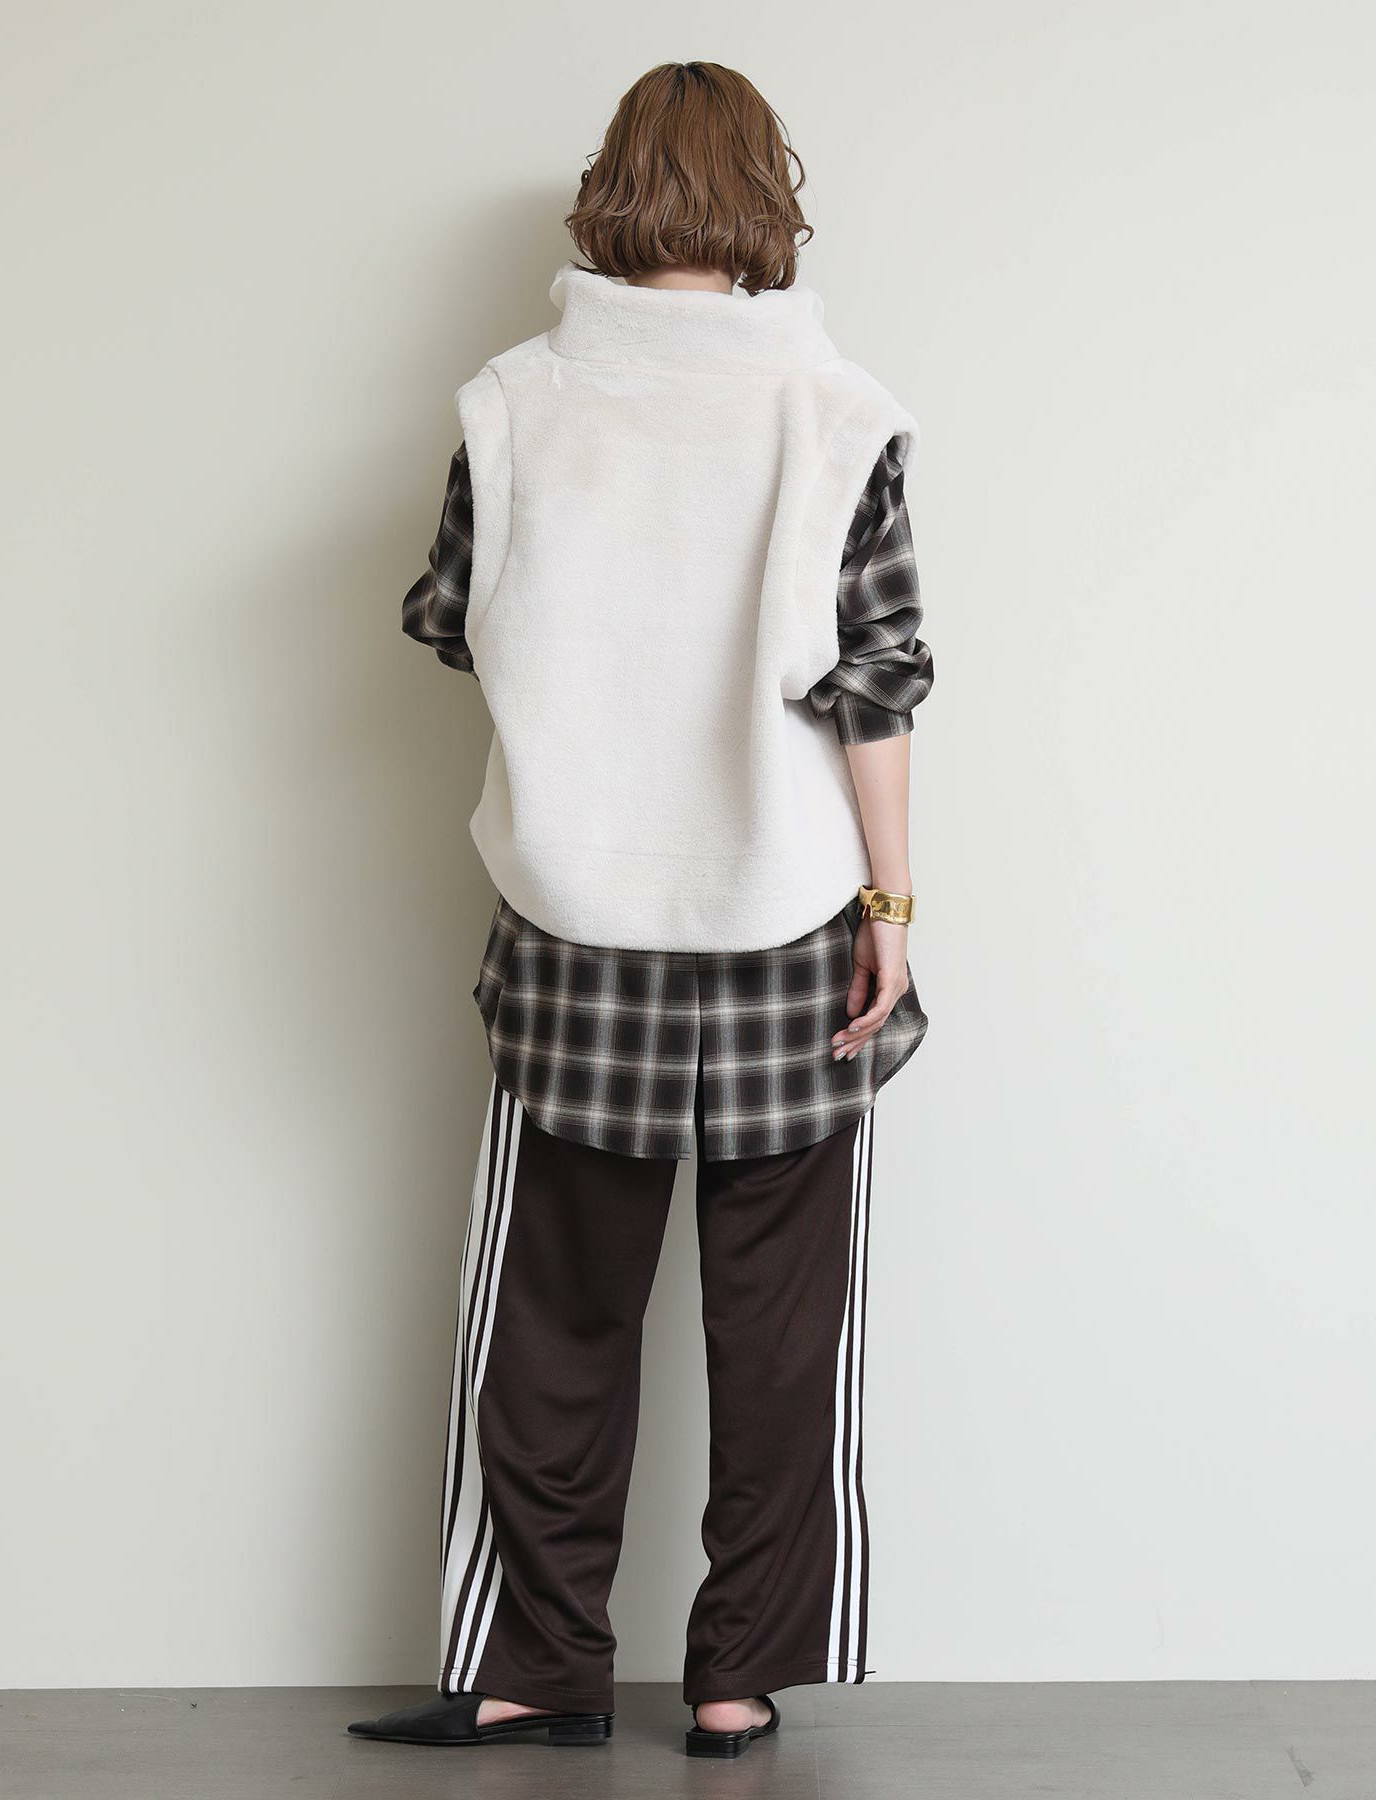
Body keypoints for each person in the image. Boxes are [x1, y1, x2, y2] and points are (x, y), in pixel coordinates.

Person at [348, 59, 934, 1761]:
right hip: (790, 918)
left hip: (574, 927)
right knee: (782, 1326)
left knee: (552, 1315)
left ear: (616, 184)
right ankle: (739, 1679)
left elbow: (448, 618)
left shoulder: (512, 400)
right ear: (766, 191)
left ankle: (538, 1664)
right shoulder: (840, 409)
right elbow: (880, 683)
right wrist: (892, 908)